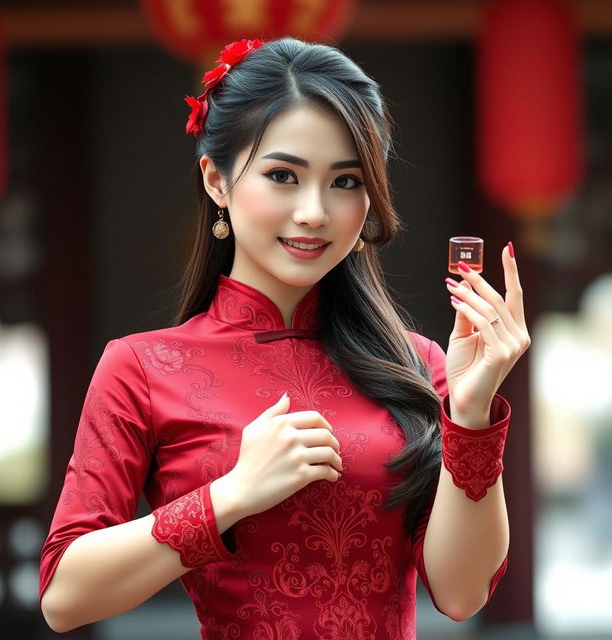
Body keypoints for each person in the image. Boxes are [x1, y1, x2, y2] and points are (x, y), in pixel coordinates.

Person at [39, 37, 531, 638]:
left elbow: (460, 594)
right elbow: (64, 595)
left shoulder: (418, 364)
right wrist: (231, 496)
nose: (314, 212)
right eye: (282, 176)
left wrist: (472, 413)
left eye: (346, 182)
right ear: (216, 181)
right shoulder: (141, 367)